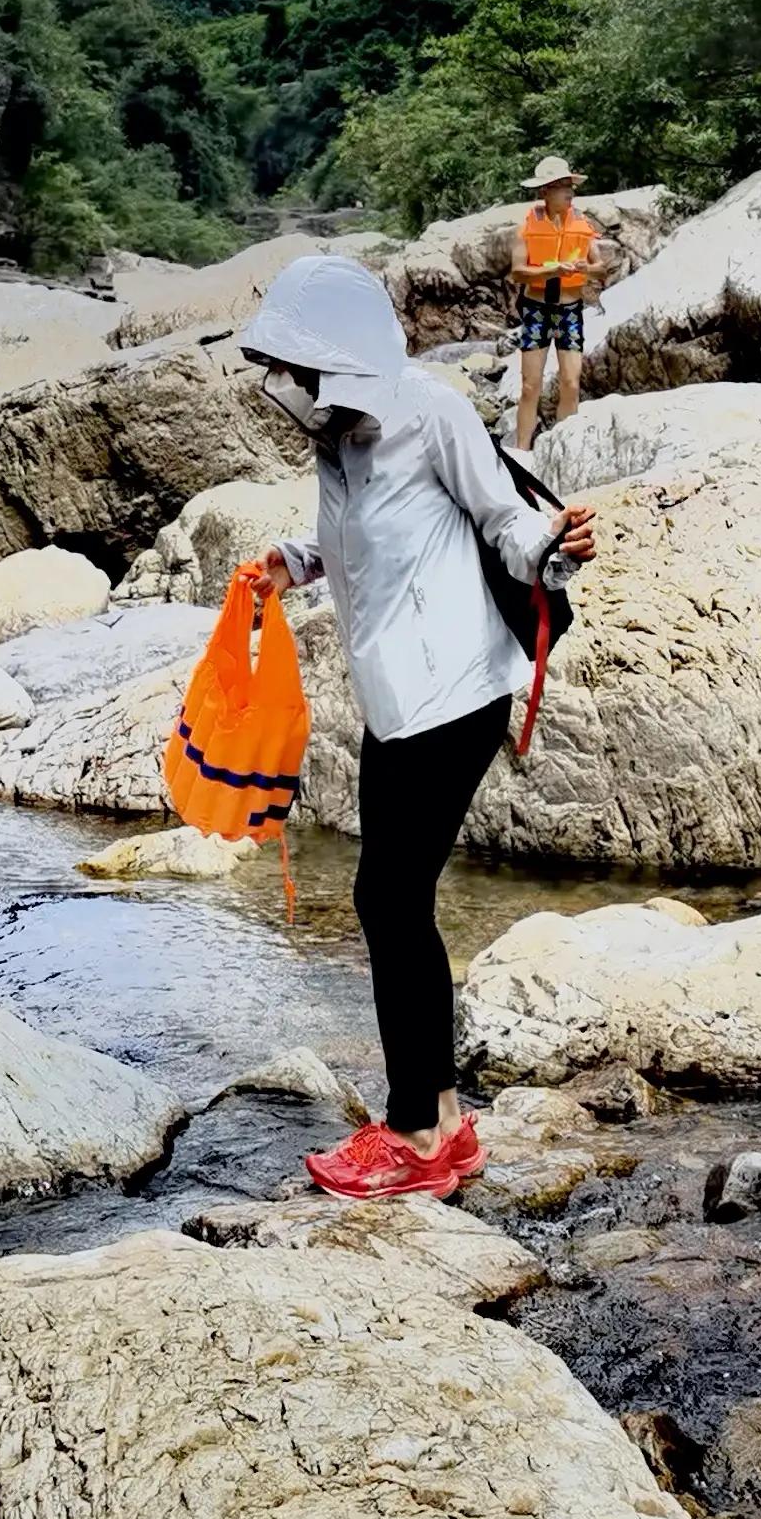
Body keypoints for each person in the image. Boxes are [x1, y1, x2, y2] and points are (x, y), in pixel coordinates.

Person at [238, 255, 595, 1199]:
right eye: (293, 375)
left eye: (309, 372)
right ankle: (441, 1123)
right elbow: (349, 536)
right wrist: (289, 561)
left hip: (458, 691)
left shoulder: (431, 413)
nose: (299, 390)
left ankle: (419, 1132)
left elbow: (505, 522)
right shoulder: (335, 442)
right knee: (383, 899)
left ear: (347, 361)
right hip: (390, 698)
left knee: (391, 898)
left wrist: (554, 547)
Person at [509, 151, 600, 450]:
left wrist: (589, 268)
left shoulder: (581, 223)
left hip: (570, 309)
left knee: (571, 383)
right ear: (545, 191)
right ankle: (522, 452)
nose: (569, 191)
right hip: (536, 309)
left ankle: (563, 449)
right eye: (562, 186)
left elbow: (601, 266)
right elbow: (518, 273)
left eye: (570, 185)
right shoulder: (526, 227)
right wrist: (553, 270)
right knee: (529, 386)